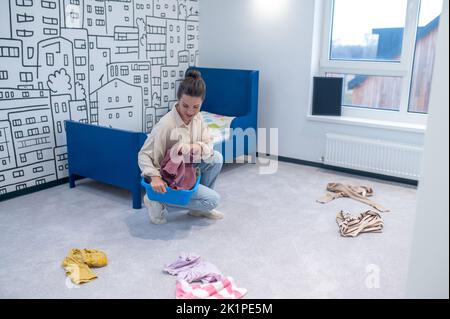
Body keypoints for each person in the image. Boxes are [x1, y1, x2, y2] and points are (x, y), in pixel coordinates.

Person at [138, 70, 224, 225]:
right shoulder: (166, 125)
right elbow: (144, 154)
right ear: (178, 100)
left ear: (202, 103)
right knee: (212, 201)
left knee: (216, 158)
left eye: (196, 107)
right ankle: (157, 201)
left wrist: (196, 147)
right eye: (185, 106)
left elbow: (208, 143)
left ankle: (197, 208)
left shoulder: (198, 118)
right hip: (168, 174)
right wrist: (155, 177)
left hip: (185, 167)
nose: (190, 112)